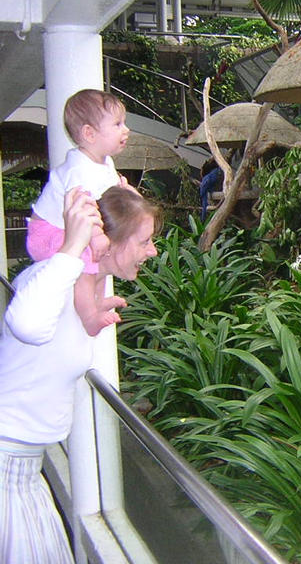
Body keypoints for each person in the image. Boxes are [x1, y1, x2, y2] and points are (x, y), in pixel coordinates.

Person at [0, 186, 160, 563]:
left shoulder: (84, 290)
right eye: (145, 240)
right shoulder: (51, 280)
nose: (152, 251)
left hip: (24, 468)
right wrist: (73, 246)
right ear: (111, 241)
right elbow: (25, 322)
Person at [26, 89, 133, 337]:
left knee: (97, 257)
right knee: (89, 253)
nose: (125, 130)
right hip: (47, 234)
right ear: (89, 133)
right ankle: (89, 316)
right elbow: (83, 206)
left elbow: (114, 191)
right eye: (117, 124)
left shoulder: (105, 163)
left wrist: (127, 192)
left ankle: (95, 302)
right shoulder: (78, 169)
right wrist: (96, 236)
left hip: (69, 230)